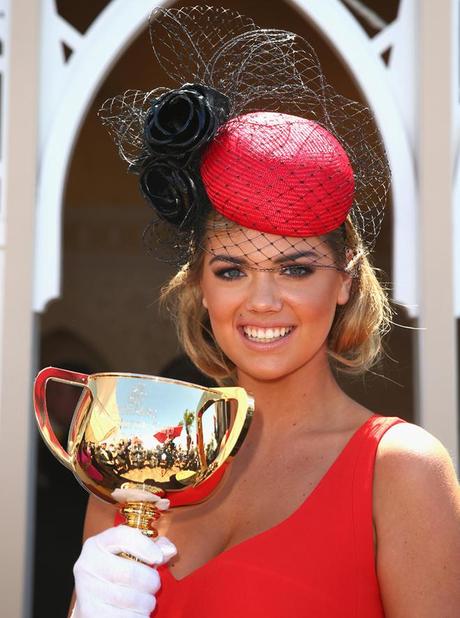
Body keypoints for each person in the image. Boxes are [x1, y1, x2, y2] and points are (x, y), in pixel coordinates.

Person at [69, 7, 460, 617]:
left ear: (345, 280)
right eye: (232, 270)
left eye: (296, 268)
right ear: (201, 285)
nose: (262, 301)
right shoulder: (135, 470)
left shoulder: (399, 472)